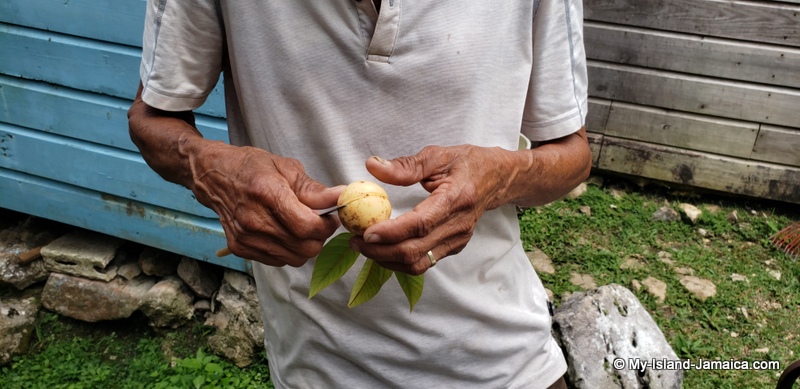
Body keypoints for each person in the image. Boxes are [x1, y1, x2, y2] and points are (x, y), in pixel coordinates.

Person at [128, 1, 591, 388]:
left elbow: (571, 152)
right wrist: (210, 170)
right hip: (315, 364)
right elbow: (152, 118)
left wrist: (501, 177)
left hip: (504, 363)